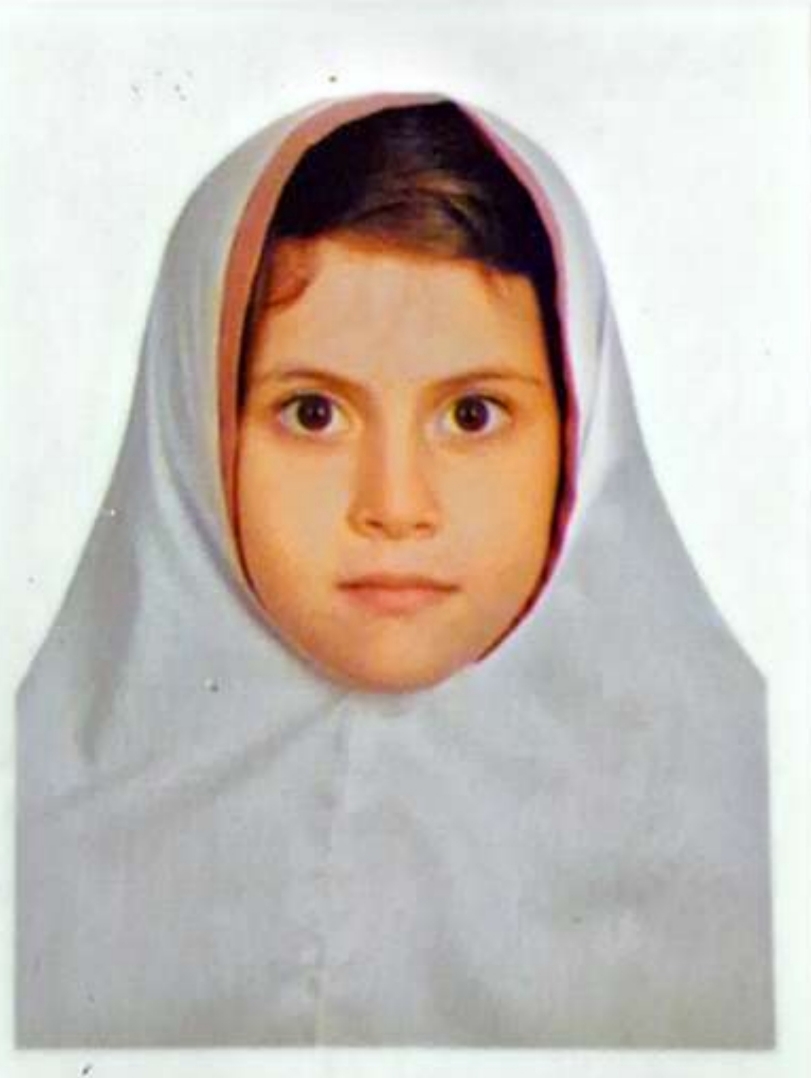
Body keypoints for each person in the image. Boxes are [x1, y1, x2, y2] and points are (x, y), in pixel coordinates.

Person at [16, 92, 773, 1047]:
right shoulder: (33, 822)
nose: (395, 505)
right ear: (193, 426)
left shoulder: (749, 817)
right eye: (313, 414)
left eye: (471, 415)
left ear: (579, 435)